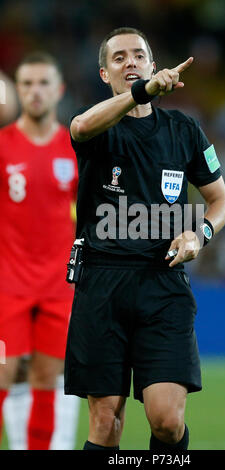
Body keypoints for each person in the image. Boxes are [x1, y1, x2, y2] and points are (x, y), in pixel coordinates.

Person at [65, 27, 225, 451]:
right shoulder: (96, 122)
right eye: (118, 58)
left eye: (139, 55)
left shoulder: (184, 130)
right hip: (102, 283)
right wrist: (141, 94)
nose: (131, 62)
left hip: (163, 285)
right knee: (105, 422)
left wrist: (201, 234)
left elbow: (221, 202)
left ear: (154, 65)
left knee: (167, 422)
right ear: (105, 74)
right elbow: (80, 127)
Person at [0, 52, 78, 450]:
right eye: (26, 83)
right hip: (8, 283)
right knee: (3, 373)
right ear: (16, 90)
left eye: (43, 83)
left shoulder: (75, 147)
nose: (34, 91)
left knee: (47, 379)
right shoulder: (2, 146)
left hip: (56, 285)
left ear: (59, 89)